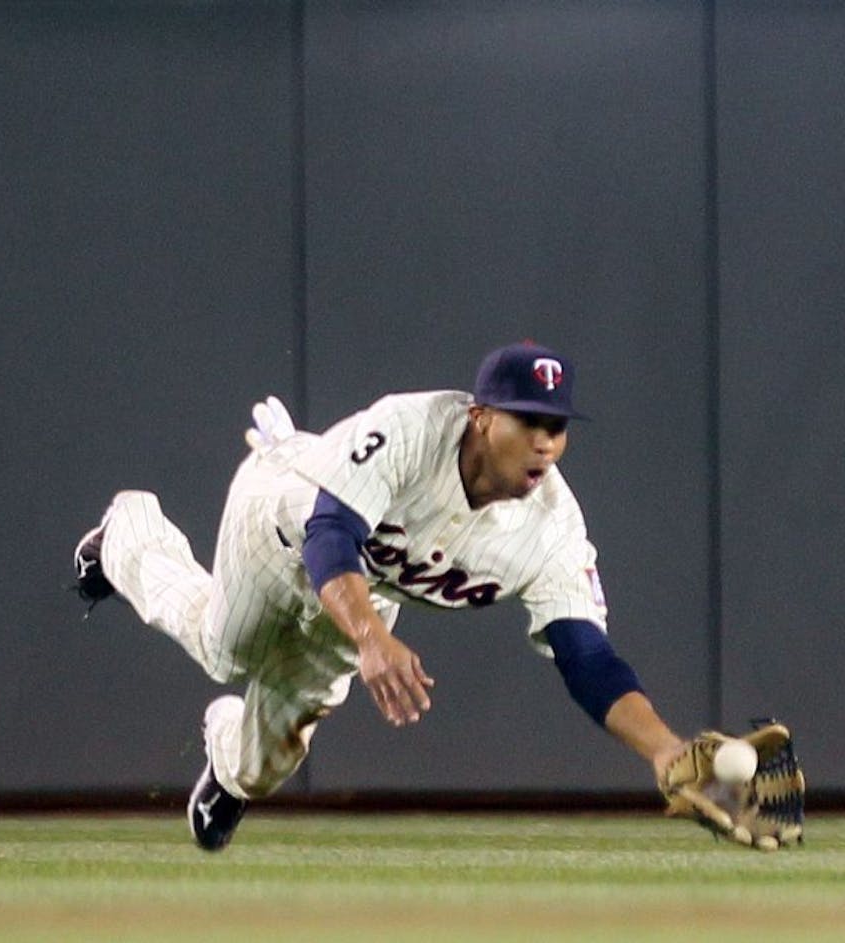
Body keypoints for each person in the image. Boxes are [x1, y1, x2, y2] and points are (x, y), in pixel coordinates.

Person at [74, 341, 689, 851]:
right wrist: (371, 637)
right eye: (527, 420)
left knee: (268, 766)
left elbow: (588, 658)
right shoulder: (411, 428)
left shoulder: (553, 531)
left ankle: (228, 766)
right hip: (282, 525)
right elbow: (330, 532)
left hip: (363, 591)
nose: (545, 442)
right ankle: (128, 533)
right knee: (225, 652)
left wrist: (666, 752)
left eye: (556, 426)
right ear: (480, 416)